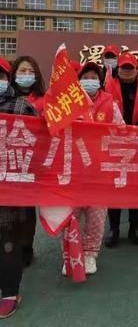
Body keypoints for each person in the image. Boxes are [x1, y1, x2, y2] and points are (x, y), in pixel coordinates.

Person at [61, 62, 124, 276]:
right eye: (85, 76)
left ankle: (89, 254)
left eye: (93, 76)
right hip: (72, 169)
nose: (89, 80)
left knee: (96, 216)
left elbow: (121, 131)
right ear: (78, 80)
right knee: (70, 215)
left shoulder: (109, 103)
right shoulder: (67, 102)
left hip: (99, 170)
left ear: (99, 80)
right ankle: (69, 254)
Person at [0, 57, 37, 319]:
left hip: (11, 184)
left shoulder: (21, 106)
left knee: (7, 240)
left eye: (1, 76)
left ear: (8, 79)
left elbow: (41, 143)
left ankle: (9, 292)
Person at [104, 52, 138, 247]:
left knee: (136, 189)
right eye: (124, 68)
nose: (127, 71)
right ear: (117, 69)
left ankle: (134, 227)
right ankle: (114, 228)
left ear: (137, 70)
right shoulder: (108, 86)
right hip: (114, 143)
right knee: (115, 189)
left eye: (131, 68)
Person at [9, 55, 46, 266]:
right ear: (14, 74)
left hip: (32, 162)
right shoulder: (6, 97)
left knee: (26, 208)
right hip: (7, 161)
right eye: (22, 71)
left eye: (30, 71)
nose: (26, 75)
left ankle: (26, 247)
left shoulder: (43, 100)